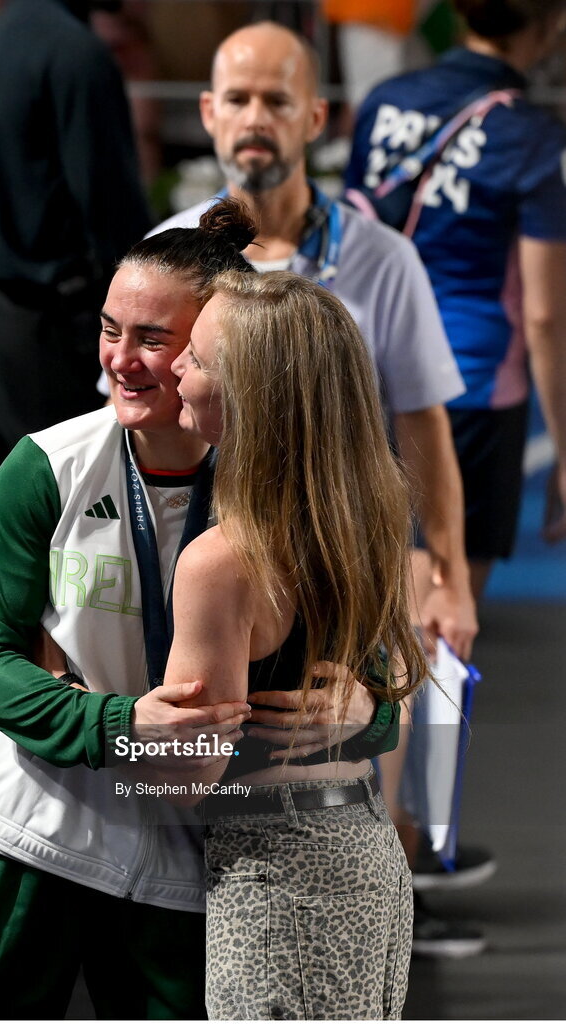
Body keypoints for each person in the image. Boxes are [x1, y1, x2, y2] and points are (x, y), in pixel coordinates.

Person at [0, 202, 396, 1020]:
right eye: (110, 330)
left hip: (193, 860)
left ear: (223, 348)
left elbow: (365, 663)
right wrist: (113, 725)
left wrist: (363, 709)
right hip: (36, 834)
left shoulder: (281, 495)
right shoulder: (45, 467)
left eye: (155, 340)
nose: (123, 361)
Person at [149, 20, 477, 662]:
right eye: (239, 99)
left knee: (359, 743)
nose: (256, 118)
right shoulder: (165, 257)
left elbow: (423, 424)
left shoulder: (385, 259)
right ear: (209, 113)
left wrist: (449, 576)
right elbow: (129, 414)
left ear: (316, 117)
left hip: (348, 561)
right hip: (195, 552)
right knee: (202, 744)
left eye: (278, 100)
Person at [163, 269, 428, 1020]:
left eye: (199, 359)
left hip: (275, 883)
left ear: (252, 397)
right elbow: (398, 689)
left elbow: (185, 774)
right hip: (365, 863)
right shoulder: (366, 516)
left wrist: (102, 719)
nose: (177, 366)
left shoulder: (218, 565)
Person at [345, 0, 566, 601]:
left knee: (366, 596)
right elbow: (544, 315)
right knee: (444, 611)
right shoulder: (533, 138)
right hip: (472, 385)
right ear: (549, 23)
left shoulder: (385, 101)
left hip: (367, 371)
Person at [0, 0, 151, 468]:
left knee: (22, 526)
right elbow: (111, 207)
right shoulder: (78, 53)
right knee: (74, 528)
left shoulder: (3, 32)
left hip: (3, 327)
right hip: (57, 340)